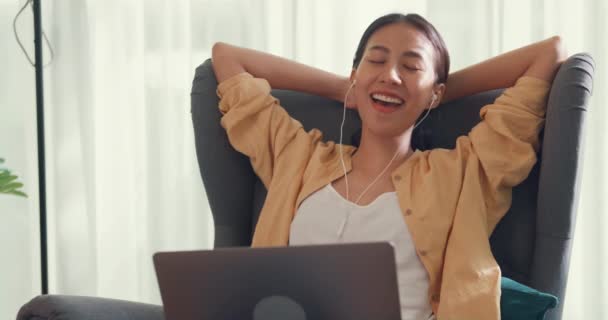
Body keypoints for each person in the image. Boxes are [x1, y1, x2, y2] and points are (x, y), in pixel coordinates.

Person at [211, 12, 566, 320]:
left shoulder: (463, 173)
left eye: (411, 66)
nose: (391, 75)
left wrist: (427, 91)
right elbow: (226, 58)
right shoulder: (298, 157)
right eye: (377, 61)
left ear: (437, 92)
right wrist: (343, 88)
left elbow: (549, 53)